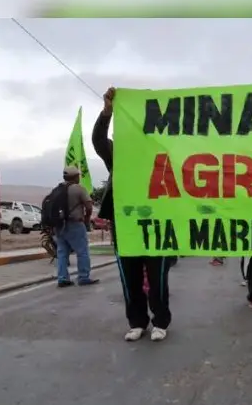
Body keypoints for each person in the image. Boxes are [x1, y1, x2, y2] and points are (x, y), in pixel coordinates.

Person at [92, 86, 172, 342]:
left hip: (156, 223)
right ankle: (137, 322)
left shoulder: (163, 151)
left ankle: (160, 321)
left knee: (158, 278)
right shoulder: (117, 152)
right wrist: (107, 113)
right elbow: (98, 141)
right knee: (130, 277)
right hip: (125, 224)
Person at [53, 166, 100, 288]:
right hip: (75, 224)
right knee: (82, 251)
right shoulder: (79, 189)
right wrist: (86, 219)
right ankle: (83, 277)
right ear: (75, 177)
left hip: (59, 225)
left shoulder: (57, 189)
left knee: (62, 252)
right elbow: (89, 206)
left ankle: (62, 278)